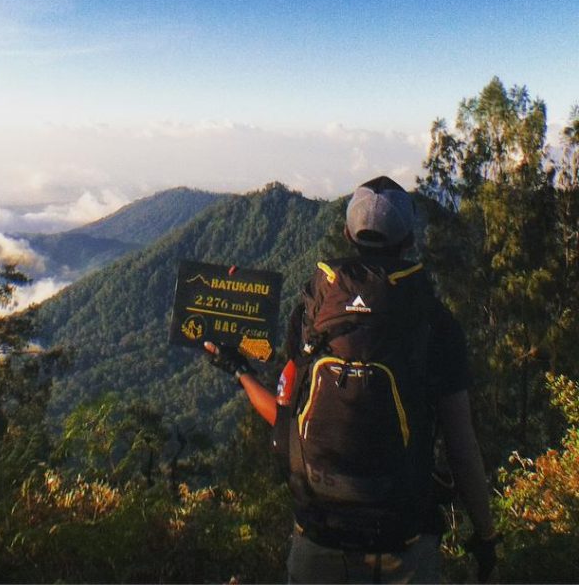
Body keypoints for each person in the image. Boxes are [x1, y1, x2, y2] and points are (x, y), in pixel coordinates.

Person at [206, 176, 499, 584]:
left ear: (347, 234)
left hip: (320, 541)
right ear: (410, 240)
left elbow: (286, 417)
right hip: (404, 546)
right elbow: (461, 443)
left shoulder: (313, 314)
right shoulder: (434, 321)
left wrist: (239, 370)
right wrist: (485, 535)